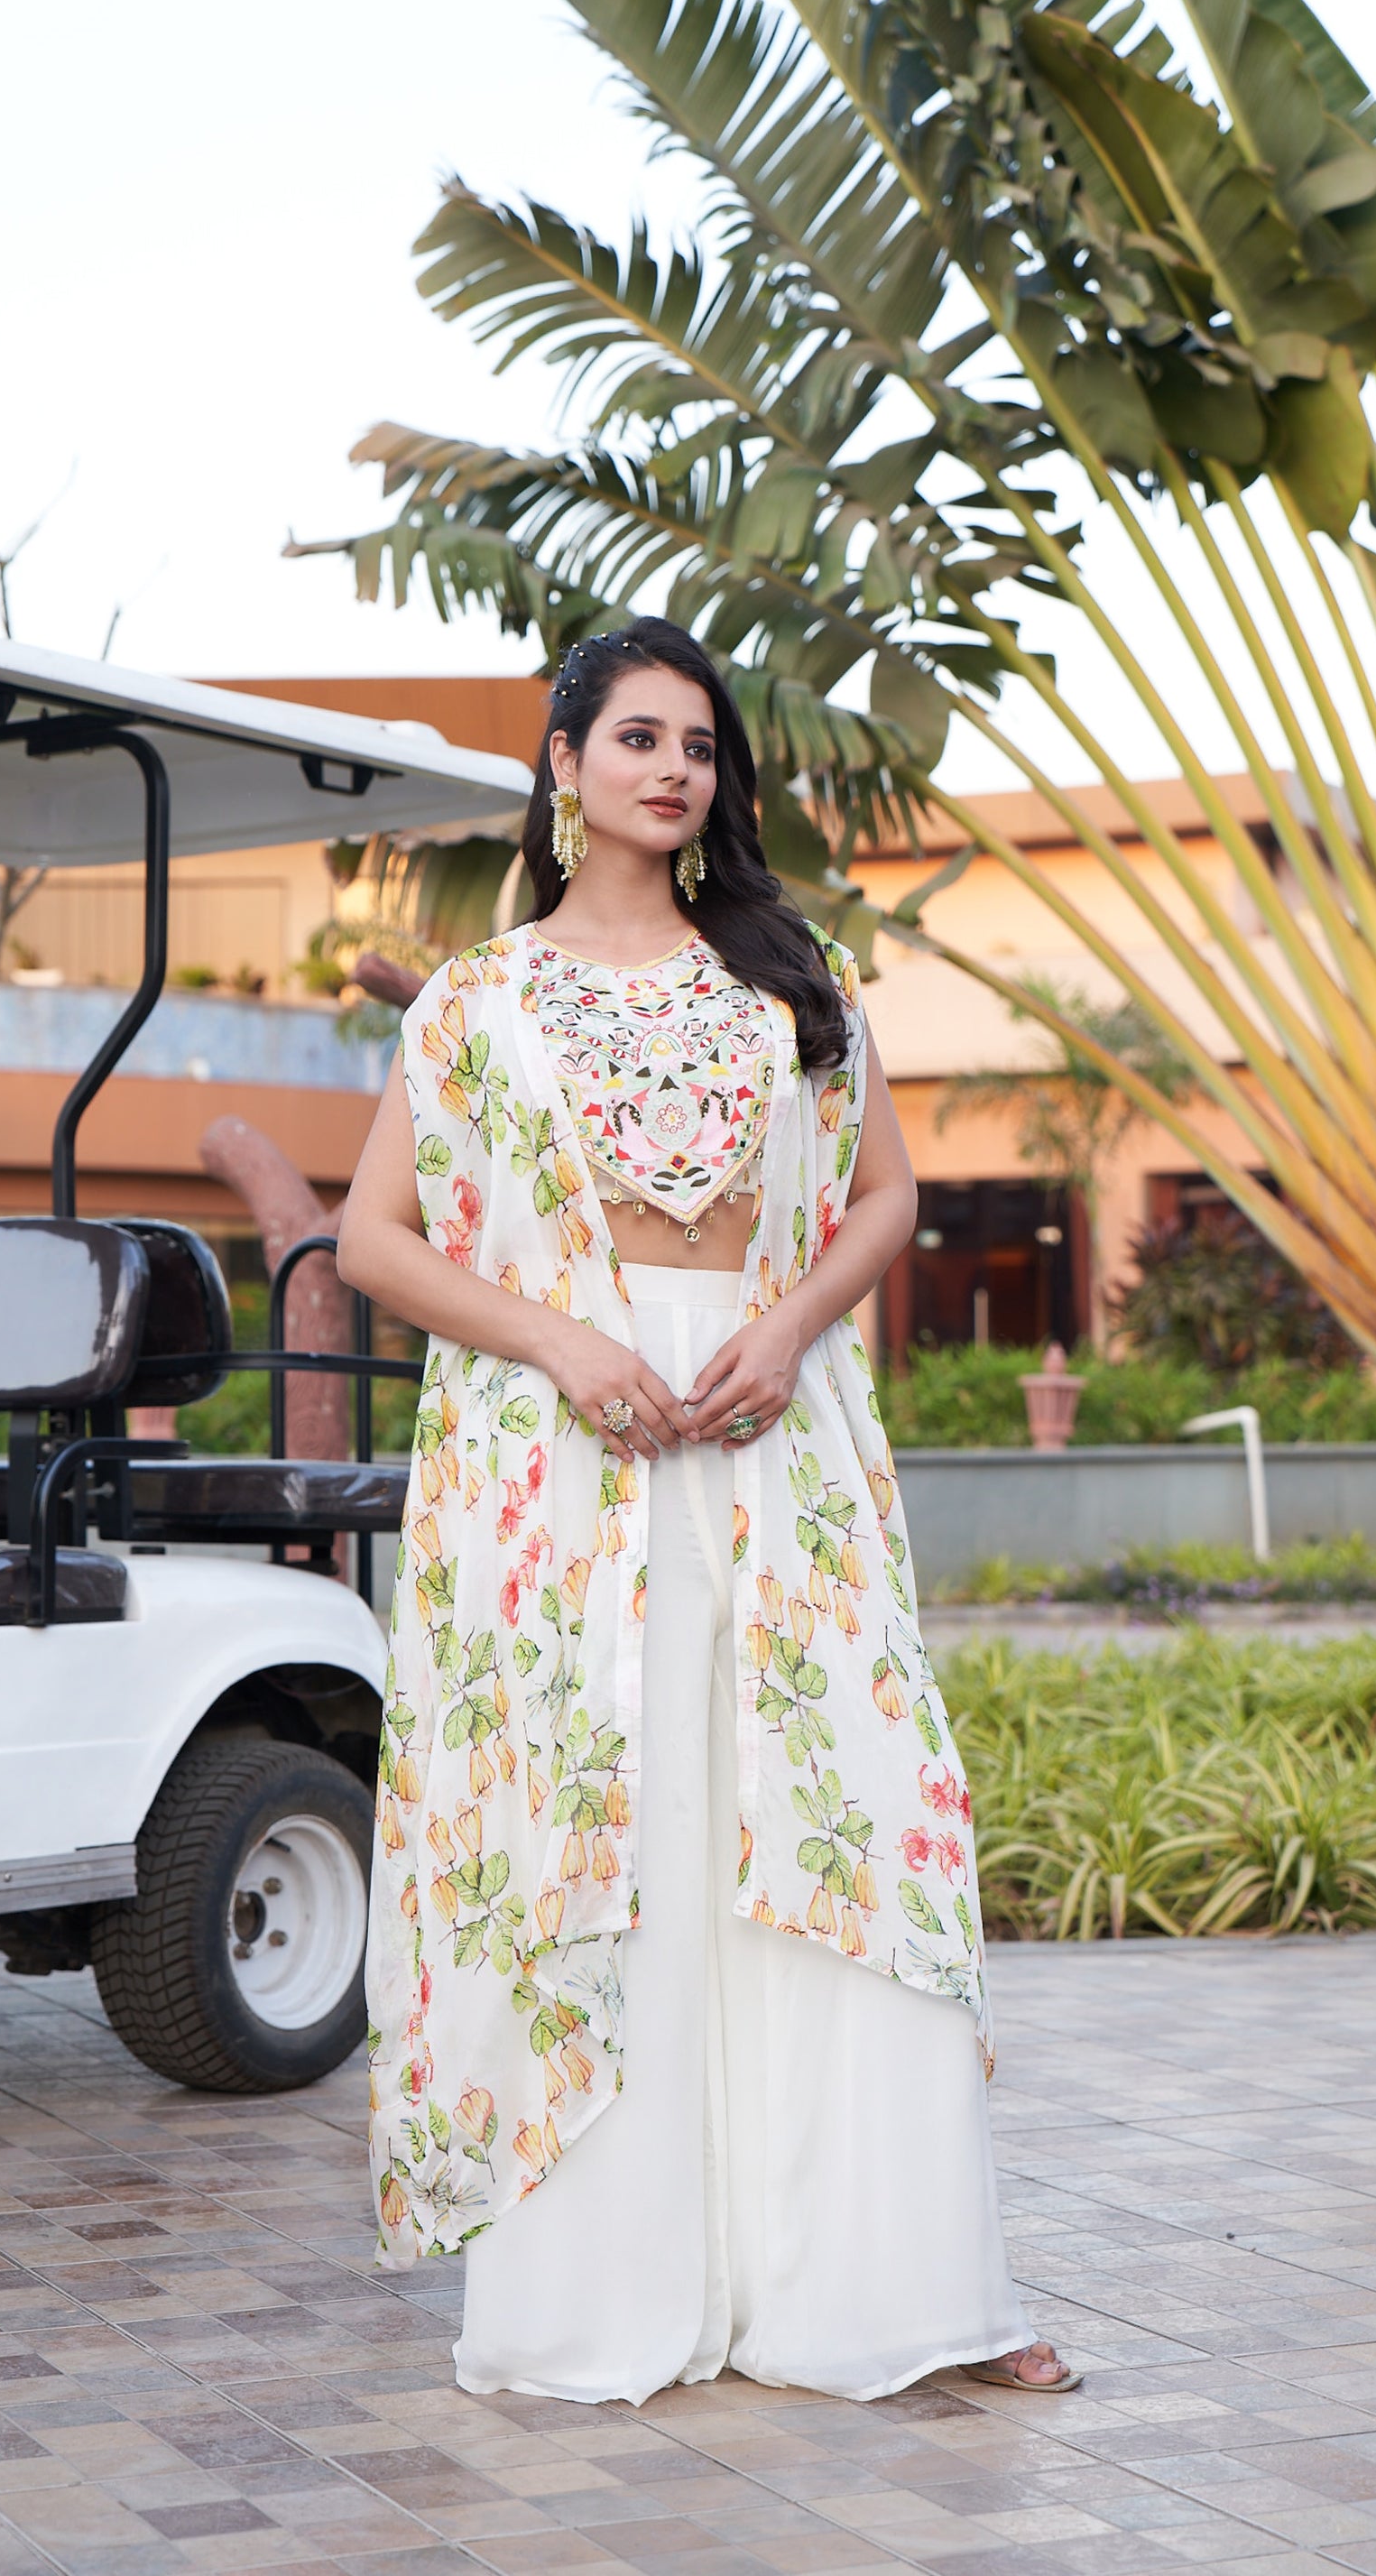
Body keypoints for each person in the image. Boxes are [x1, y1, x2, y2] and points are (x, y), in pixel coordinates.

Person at [338, 616, 1076, 2405]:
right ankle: (606, 2295)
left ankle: (897, 2295)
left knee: (844, 1819)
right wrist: (566, 1345)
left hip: (772, 1437)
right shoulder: (479, 1003)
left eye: (702, 746)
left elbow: (884, 1199)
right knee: (615, 1825)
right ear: (565, 761)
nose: (676, 769)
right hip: (561, 1460)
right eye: (640, 737)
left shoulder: (782, 982)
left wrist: (786, 1328)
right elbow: (376, 1240)